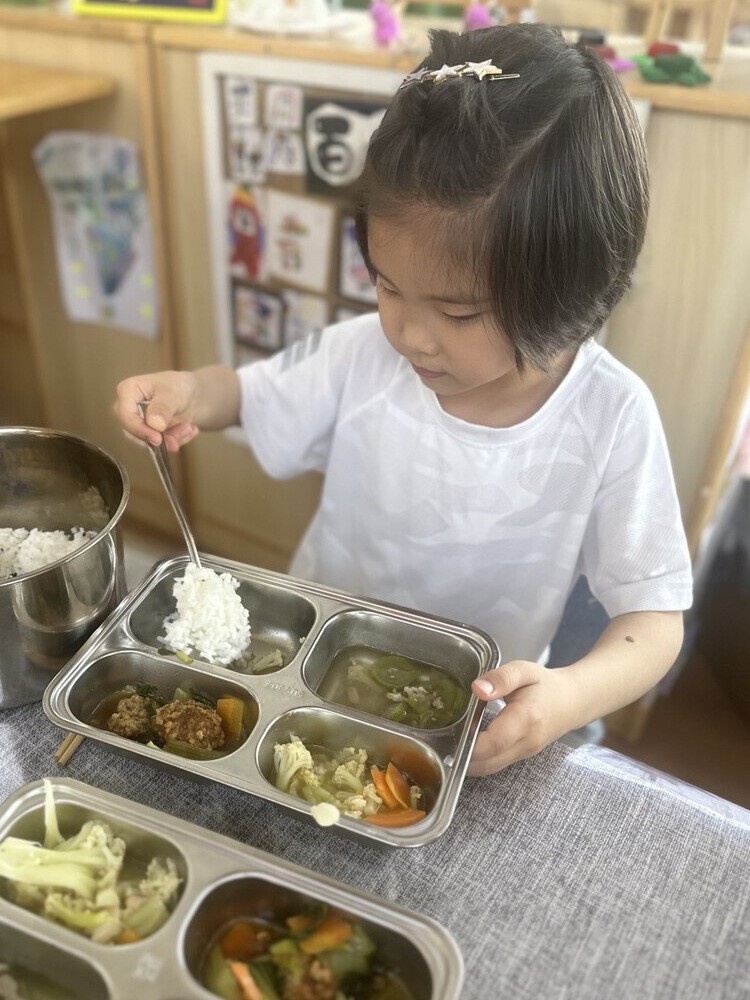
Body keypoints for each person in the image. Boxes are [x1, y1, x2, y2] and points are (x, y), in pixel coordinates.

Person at [115, 24, 692, 776]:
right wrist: (191, 390)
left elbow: (654, 620)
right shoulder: (364, 352)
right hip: (307, 674)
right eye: (386, 286)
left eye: (459, 313)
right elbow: (247, 396)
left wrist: (570, 695)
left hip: (469, 719)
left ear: (569, 294)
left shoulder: (610, 416)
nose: (410, 335)